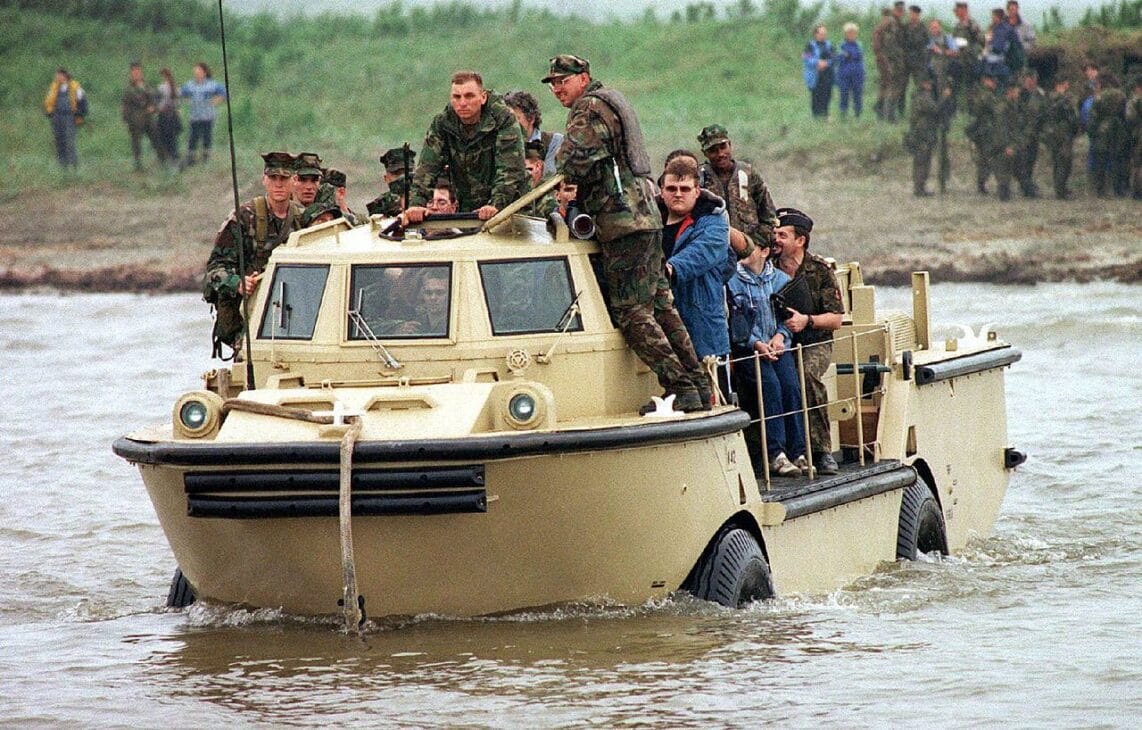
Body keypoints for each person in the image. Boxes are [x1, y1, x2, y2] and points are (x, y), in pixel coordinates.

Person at [545, 53, 709, 413]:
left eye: (564, 80)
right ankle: (699, 383)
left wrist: (559, 168)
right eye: (553, 83)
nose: (558, 88)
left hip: (622, 222)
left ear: (584, 78)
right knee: (662, 306)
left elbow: (571, 160)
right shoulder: (611, 102)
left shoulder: (588, 110)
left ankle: (681, 386)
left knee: (632, 311)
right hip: (645, 216)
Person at [202, 152, 304, 358]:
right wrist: (237, 283)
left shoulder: (301, 220)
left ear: (294, 182)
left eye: (284, 179)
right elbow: (215, 268)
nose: (278, 184)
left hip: (291, 314)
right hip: (247, 317)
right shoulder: (244, 218)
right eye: (273, 178)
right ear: (264, 180)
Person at [771, 207, 843, 475]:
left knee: (807, 376)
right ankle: (780, 449)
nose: (775, 240)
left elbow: (836, 318)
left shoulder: (819, 270)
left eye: (782, 235)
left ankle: (821, 450)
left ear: (800, 240)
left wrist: (807, 321)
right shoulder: (768, 268)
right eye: (774, 234)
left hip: (815, 340)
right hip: (780, 339)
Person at [405, 70, 528, 224]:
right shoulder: (443, 123)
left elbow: (510, 169)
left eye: (469, 96)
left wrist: (496, 204)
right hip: (467, 206)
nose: (462, 103)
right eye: (457, 97)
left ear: (482, 97)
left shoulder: (503, 119)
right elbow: (427, 166)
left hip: (511, 206)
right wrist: (417, 204)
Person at [728, 240, 805, 478]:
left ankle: (799, 451)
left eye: (748, 248)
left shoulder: (782, 281)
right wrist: (756, 344)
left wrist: (781, 337)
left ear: (764, 251)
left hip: (778, 347)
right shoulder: (732, 282)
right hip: (750, 350)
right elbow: (734, 321)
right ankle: (776, 454)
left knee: (791, 387)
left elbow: (789, 319)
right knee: (769, 387)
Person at [657, 156, 733, 364]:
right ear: (662, 190)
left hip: (702, 331)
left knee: (712, 393)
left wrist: (671, 269)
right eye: (672, 189)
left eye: (685, 188)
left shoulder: (714, 223)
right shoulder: (650, 223)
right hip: (661, 330)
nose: (678, 194)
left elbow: (701, 253)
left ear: (697, 191)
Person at [696, 124, 777, 260]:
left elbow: (769, 216)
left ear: (730, 145)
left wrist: (756, 245)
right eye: (713, 150)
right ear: (705, 153)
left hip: (751, 253)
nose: (720, 154)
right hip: (714, 253)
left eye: (723, 147)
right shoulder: (699, 178)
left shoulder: (748, 174)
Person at [906, 74, 954, 196]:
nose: (930, 85)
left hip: (923, 133)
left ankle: (920, 187)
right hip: (923, 134)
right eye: (928, 83)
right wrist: (944, 97)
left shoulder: (920, 96)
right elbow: (935, 109)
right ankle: (919, 188)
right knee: (922, 161)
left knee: (922, 160)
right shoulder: (923, 97)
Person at [503, 90, 564, 176]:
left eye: (515, 119)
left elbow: (552, 175)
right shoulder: (500, 146)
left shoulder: (554, 142)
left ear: (531, 118)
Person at [1088, 74, 1130, 198]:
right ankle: (1118, 189)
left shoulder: (1099, 97)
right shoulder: (1121, 95)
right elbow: (1125, 115)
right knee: (1117, 160)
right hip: (1118, 130)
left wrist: (1092, 133)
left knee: (1100, 161)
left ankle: (1101, 190)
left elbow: (1093, 118)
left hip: (1102, 131)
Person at [1039, 77, 1080, 199]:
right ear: (1058, 85)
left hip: (1051, 134)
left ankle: (1059, 188)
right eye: (1065, 85)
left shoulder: (1046, 99)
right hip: (1063, 134)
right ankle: (1061, 191)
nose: (1067, 87)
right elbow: (1071, 118)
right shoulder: (1063, 100)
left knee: (1057, 161)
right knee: (1064, 162)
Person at [179, 62, 226, 167]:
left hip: (208, 116)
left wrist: (216, 100)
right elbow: (180, 93)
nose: (197, 73)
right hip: (195, 116)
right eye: (195, 72)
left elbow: (224, 93)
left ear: (204, 72)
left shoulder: (212, 84)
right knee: (193, 137)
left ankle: (206, 158)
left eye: (199, 71)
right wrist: (187, 101)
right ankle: (191, 158)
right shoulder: (190, 85)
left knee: (207, 137)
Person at [966, 72, 1004, 195]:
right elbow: (997, 109)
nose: (994, 84)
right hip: (986, 131)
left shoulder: (978, 93)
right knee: (992, 158)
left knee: (983, 159)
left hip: (982, 130)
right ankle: (1000, 184)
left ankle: (981, 185)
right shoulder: (986, 95)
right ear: (986, 81)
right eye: (992, 81)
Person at [121, 61, 163, 171]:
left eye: (138, 71)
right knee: (136, 143)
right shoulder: (128, 89)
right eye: (134, 72)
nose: (136, 74)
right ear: (131, 74)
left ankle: (163, 161)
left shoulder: (147, 86)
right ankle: (138, 165)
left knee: (156, 139)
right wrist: (126, 120)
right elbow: (125, 106)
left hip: (149, 118)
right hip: (135, 119)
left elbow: (156, 98)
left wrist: (154, 107)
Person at [43, 68, 86, 169]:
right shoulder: (54, 87)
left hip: (70, 116)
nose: (57, 77)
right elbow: (48, 100)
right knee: (59, 140)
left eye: (59, 75)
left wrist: (80, 113)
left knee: (69, 140)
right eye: (57, 75)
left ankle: (73, 164)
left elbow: (82, 100)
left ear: (65, 76)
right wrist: (49, 112)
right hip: (57, 116)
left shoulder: (75, 86)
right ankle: (62, 165)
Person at [1015, 70, 1046, 198]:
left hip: (1034, 133)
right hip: (1022, 132)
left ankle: (1027, 184)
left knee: (1031, 160)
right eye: (1028, 79)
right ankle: (1026, 186)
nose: (1031, 82)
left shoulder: (1039, 94)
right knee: (1022, 161)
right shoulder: (1019, 94)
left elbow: (1043, 110)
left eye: (1032, 79)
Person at [873, 7, 904, 122]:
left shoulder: (891, 28)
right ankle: (887, 112)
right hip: (885, 62)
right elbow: (877, 48)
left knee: (889, 85)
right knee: (889, 85)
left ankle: (881, 109)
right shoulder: (880, 30)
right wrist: (884, 61)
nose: (889, 20)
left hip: (893, 62)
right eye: (887, 17)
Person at [366, 147, 415, 217]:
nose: (403, 178)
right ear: (386, 179)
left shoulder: (428, 197)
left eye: (407, 173)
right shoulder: (381, 205)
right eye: (397, 174)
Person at [951, 2, 985, 104]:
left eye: (957, 10)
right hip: (959, 61)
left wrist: (971, 29)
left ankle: (972, 111)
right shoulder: (957, 25)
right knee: (957, 87)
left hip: (971, 61)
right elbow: (955, 41)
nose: (955, 12)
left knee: (972, 88)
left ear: (964, 10)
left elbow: (982, 40)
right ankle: (959, 109)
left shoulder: (972, 23)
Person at [901, 6, 929, 115]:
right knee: (902, 86)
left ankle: (919, 109)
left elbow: (926, 43)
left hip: (918, 62)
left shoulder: (923, 28)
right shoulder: (906, 27)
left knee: (920, 86)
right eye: (910, 14)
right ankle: (901, 110)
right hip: (906, 61)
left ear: (918, 15)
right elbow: (902, 42)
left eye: (914, 14)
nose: (911, 16)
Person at [803, 24, 836, 119]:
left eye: (825, 34)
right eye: (821, 33)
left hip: (827, 74)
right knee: (816, 95)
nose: (823, 35)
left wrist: (826, 63)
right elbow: (806, 58)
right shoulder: (810, 45)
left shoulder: (829, 45)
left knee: (827, 94)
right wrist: (817, 62)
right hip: (815, 74)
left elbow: (834, 57)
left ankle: (825, 114)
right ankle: (816, 116)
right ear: (815, 34)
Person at [836, 22, 866, 119]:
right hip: (844, 75)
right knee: (844, 94)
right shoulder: (841, 45)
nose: (852, 35)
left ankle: (858, 115)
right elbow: (839, 57)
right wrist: (849, 55)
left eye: (854, 33)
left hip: (858, 74)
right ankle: (843, 115)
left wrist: (849, 55)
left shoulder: (859, 44)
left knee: (858, 95)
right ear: (845, 34)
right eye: (849, 33)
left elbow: (860, 55)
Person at [155, 67, 181, 166]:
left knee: (165, 137)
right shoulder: (176, 88)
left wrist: (159, 108)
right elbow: (177, 103)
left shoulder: (162, 87)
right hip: (172, 115)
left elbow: (159, 102)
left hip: (165, 115)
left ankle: (169, 157)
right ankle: (174, 157)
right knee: (172, 137)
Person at [1127, 76, 1142, 199]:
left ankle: (1137, 192)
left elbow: (1130, 118)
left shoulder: (1134, 101)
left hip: (1138, 135)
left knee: (1137, 163)